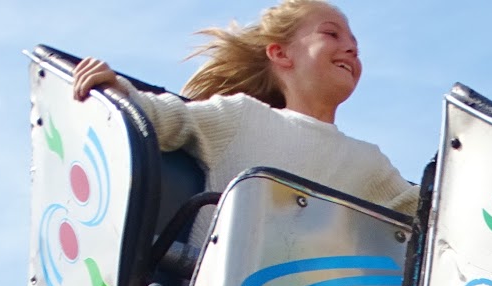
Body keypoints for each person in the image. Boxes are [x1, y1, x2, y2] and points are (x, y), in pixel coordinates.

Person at [71, 0, 418, 238]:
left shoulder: (369, 162)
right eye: (332, 34)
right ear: (280, 53)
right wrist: (117, 87)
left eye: (355, 42)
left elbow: (429, 216)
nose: (352, 48)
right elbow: (161, 118)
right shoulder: (240, 117)